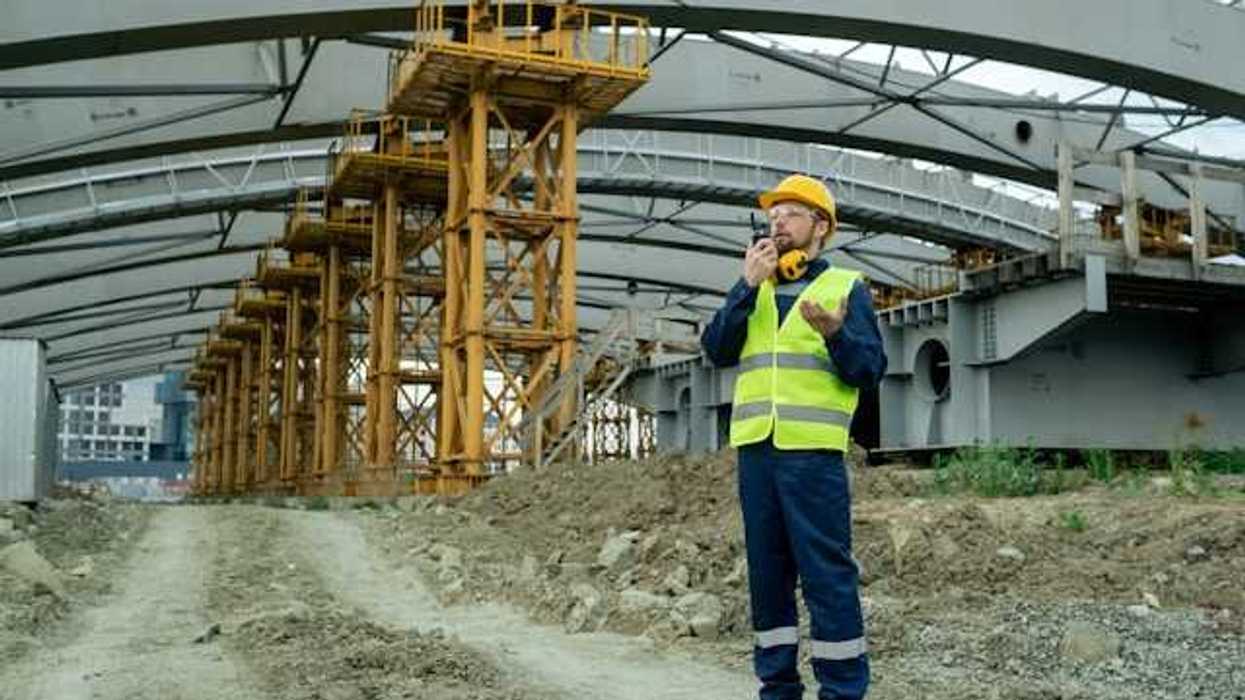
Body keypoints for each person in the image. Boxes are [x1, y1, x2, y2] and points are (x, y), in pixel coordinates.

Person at [700, 174, 887, 700]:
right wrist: (745, 285)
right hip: (758, 453)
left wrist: (835, 333)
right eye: (773, 214)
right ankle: (777, 689)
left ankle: (842, 691)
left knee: (827, 575)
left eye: (791, 214)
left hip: (813, 456)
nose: (777, 222)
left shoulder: (845, 287)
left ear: (820, 227)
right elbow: (716, 349)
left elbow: (869, 370)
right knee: (767, 575)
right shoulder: (753, 287)